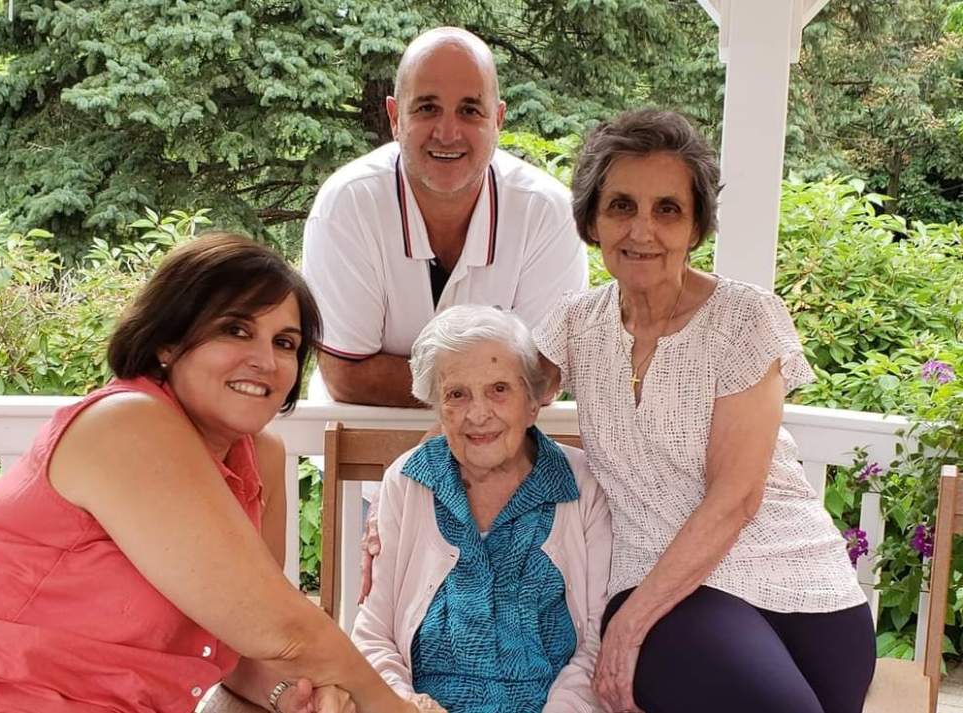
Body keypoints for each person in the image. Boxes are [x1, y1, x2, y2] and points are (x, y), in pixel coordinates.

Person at [0, 233, 432, 713]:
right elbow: (282, 629)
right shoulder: (127, 424)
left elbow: (238, 642)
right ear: (167, 343)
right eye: (235, 330)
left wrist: (294, 696)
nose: (264, 360)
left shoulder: (259, 456)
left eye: (285, 343)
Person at [533, 109, 876, 713]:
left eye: (668, 209)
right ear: (592, 220)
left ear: (695, 227)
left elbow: (737, 497)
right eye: (621, 206)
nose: (643, 230)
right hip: (665, 586)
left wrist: (626, 632)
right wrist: (407, 492)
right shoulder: (574, 324)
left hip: (806, 588)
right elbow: (480, 395)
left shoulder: (744, 319)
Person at [301, 26, 588, 408]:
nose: (448, 132)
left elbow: (542, 375)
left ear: (498, 120)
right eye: (427, 108)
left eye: (470, 110)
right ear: (394, 116)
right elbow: (346, 376)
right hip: (362, 451)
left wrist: (453, 385)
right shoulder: (348, 205)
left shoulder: (548, 214)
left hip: (501, 458)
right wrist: (494, 383)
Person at [352, 306, 610, 713]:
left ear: (532, 402)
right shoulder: (408, 481)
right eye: (457, 394)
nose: (477, 413)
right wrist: (404, 705)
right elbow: (373, 633)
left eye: (499, 390)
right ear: (438, 408)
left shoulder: (581, 485)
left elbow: (599, 638)